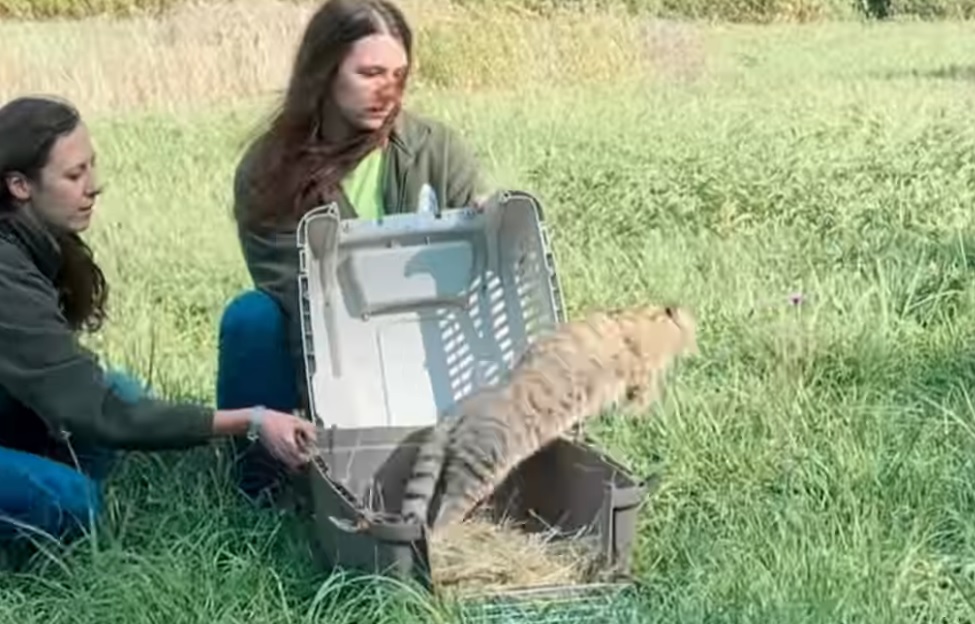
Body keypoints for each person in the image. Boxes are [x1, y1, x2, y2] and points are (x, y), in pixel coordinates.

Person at [0, 95, 319, 544]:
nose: (94, 186)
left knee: (124, 396)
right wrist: (251, 419)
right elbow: (98, 411)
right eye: (74, 175)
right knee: (72, 504)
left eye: (91, 166)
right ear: (20, 185)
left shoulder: (38, 241)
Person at [217, 0, 493, 504]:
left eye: (398, 75)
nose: (387, 91)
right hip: (324, 360)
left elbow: (477, 282)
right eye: (369, 73)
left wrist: (485, 231)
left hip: (431, 353)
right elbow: (301, 300)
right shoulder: (267, 170)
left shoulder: (437, 149)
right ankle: (265, 482)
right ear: (323, 74)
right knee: (250, 318)